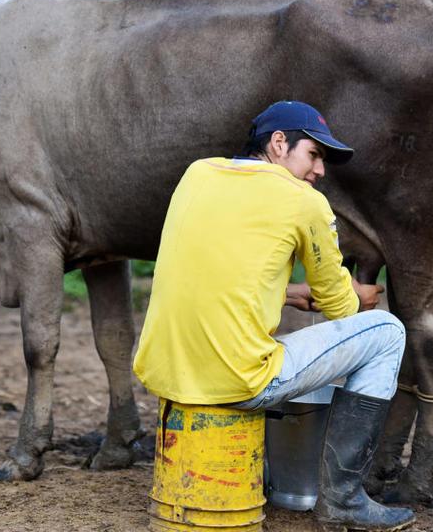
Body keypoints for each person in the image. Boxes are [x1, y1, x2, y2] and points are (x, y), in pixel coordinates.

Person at [133, 100, 415, 532]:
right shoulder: (304, 201)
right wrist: (357, 293)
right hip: (238, 381)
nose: (320, 171)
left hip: (164, 371)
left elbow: (216, 270)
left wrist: (286, 292)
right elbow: (341, 309)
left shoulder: (198, 174)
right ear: (279, 143)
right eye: (314, 155)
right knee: (387, 332)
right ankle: (343, 499)